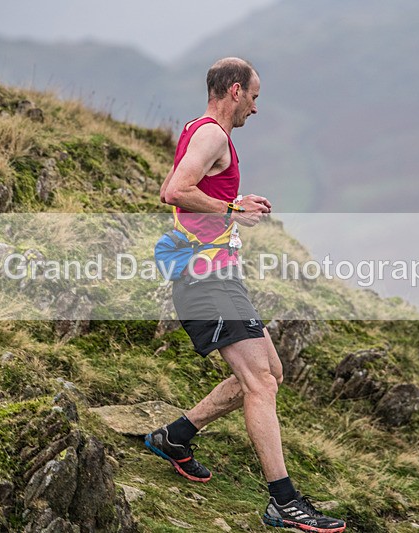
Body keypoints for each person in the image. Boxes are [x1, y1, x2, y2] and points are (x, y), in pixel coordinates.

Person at [145, 57, 346, 532]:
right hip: (204, 277)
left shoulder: (204, 132)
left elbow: (173, 188)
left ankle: (175, 437)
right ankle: (284, 501)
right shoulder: (213, 133)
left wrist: (229, 207)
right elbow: (173, 190)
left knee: (269, 372)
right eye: (255, 97)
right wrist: (232, 206)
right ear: (235, 91)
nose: (256, 108)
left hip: (218, 275)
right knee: (261, 382)